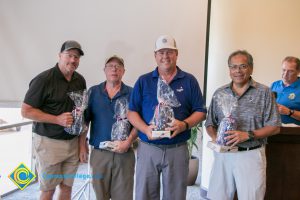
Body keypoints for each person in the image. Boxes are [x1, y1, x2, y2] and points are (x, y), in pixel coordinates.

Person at [128, 35, 207, 200]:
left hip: (177, 149)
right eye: (161, 52)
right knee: (145, 195)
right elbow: (132, 112)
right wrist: (145, 129)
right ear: (155, 55)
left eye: (169, 52)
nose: (165, 56)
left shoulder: (189, 80)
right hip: (148, 147)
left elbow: (200, 111)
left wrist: (184, 125)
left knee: (175, 196)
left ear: (176, 54)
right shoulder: (144, 81)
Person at [205, 50, 281, 200]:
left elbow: (275, 127)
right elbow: (210, 123)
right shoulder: (220, 93)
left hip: (250, 154)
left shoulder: (264, 92)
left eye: (243, 66)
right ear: (229, 70)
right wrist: (216, 138)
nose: (237, 71)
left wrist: (248, 135)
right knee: (217, 197)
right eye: (233, 67)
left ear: (251, 68)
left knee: (251, 197)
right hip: (223, 155)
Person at [21, 40, 86, 200]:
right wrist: (57, 119)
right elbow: (26, 111)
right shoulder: (43, 79)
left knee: (66, 189)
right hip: (49, 144)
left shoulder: (80, 80)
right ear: (59, 56)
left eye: (76, 57)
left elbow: (82, 113)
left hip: (72, 145)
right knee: (48, 191)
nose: (72, 60)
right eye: (69, 55)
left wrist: (82, 144)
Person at [79, 55, 137, 200]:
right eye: (110, 66)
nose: (114, 69)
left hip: (124, 153)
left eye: (118, 66)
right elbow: (84, 122)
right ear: (104, 70)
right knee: (100, 195)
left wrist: (128, 141)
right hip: (100, 154)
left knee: (123, 196)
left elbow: (139, 123)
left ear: (123, 71)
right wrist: (82, 145)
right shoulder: (93, 92)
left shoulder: (132, 93)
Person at [271, 56, 300, 125]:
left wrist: (288, 112)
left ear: (298, 71)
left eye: (290, 71)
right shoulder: (274, 85)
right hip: (272, 130)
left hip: (293, 133)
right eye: (284, 70)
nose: (285, 74)